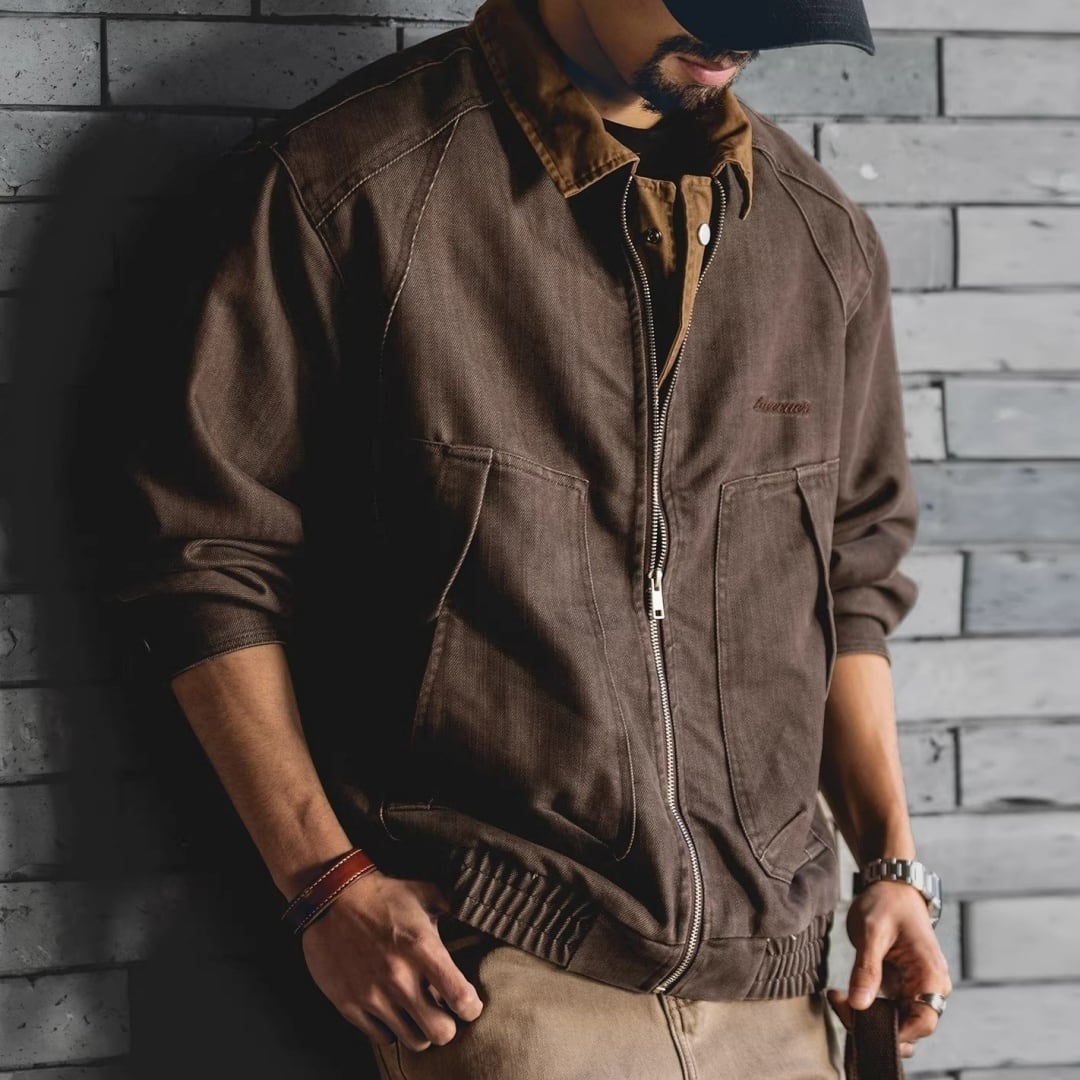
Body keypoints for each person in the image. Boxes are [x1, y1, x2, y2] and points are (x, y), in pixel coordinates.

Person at [102, 0, 953, 1075]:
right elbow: (205, 562)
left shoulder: (815, 235)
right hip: (493, 969)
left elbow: (849, 578)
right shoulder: (346, 187)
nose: (740, 40)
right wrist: (323, 883)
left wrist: (891, 866)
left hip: (781, 982)